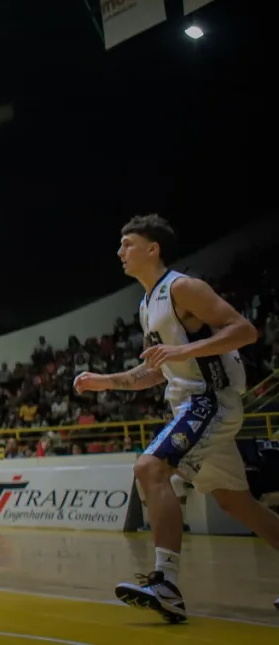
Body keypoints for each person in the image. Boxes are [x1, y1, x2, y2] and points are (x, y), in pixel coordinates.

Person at [75, 214, 277, 622]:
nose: (120, 252)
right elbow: (154, 371)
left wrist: (184, 353)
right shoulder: (147, 304)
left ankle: (165, 583)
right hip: (187, 403)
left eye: (128, 243)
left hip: (210, 400)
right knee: (237, 503)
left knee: (150, 467)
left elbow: (244, 331)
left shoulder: (184, 287)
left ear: (154, 249)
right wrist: (106, 382)